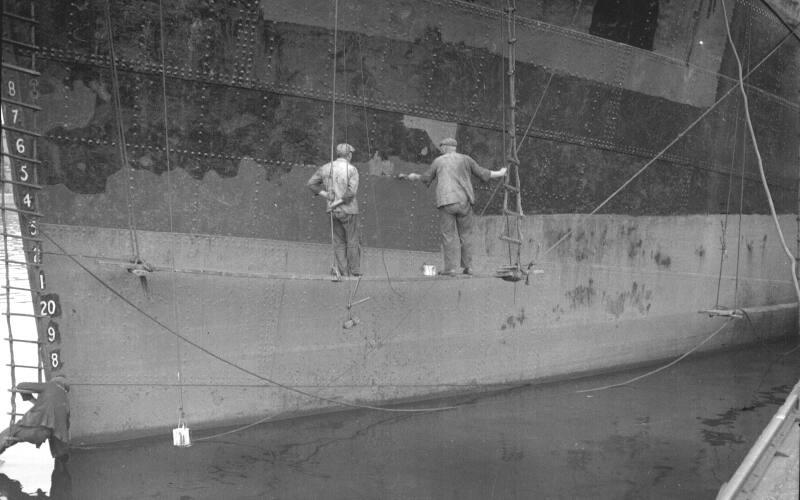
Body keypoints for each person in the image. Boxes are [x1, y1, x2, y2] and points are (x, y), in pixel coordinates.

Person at [402, 137, 506, 276]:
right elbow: (482, 173)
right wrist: (500, 173)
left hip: (446, 202)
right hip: (464, 202)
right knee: (466, 235)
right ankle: (468, 267)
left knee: (448, 236)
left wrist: (413, 176)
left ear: (445, 147)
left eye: (442, 147)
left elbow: (426, 178)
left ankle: (450, 268)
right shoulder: (466, 159)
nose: (441, 149)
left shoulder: (439, 161)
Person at [307, 143, 361, 277]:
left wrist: (326, 196)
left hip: (333, 211)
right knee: (352, 240)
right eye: (351, 153)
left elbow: (311, 184)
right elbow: (350, 194)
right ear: (348, 155)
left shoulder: (325, 168)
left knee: (339, 242)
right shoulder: (352, 169)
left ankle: (343, 272)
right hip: (349, 211)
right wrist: (337, 202)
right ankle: (354, 271)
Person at [0, 374, 70, 460]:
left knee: (7, 435)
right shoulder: (66, 402)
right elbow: (63, 430)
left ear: (55, 380)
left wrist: (31, 399)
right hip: (43, 435)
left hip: (31, 429)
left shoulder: (50, 385)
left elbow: (21, 386)